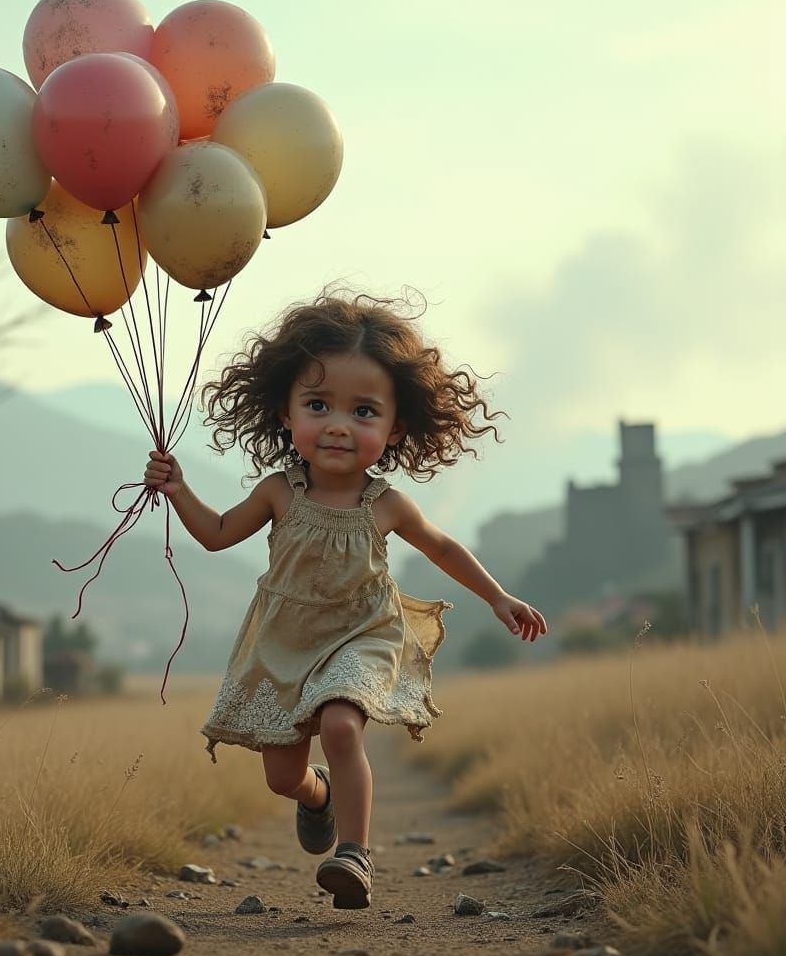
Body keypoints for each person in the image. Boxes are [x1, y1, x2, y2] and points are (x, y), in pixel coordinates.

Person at [143, 289, 546, 910]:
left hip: (362, 634)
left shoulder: (385, 503)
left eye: (363, 411)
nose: (337, 424)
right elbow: (218, 535)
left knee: (340, 720)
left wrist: (497, 597)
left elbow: (440, 549)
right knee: (282, 777)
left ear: (395, 427)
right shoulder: (280, 490)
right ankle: (320, 797)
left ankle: (354, 854)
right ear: (286, 413)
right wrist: (178, 489)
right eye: (318, 405)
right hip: (285, 644)